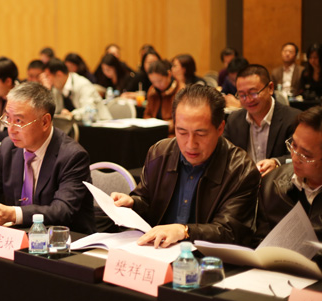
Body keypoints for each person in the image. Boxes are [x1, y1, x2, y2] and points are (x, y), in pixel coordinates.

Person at [110, 85, 260, 247]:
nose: (190, 144)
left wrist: (185, 231)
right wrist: (132, 203)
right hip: (157, 251)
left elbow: (230, 232)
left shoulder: (240, 169)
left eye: (200, 134)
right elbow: (146, 200)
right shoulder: (159, 153)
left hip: (206, 258)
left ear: (220, 128)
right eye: (182, 132)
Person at [0, 82, 95, 234]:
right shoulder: (8, 147)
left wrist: (14, 214)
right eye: (8, 118)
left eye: (18, 121)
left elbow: (62, 210)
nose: (10, 129)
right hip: (20, 236)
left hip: (66, 240)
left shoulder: (72, 156)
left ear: (45, 122)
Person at [255, 106, 322, 243]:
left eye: (306, 155)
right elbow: (259, 240)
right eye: (293, 145)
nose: (295, 157)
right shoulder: (271, 185)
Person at [223, 64, 300, 176]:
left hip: (278, 182)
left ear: (270, 88)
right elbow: (224, 153)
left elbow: (300, 157)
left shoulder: (293, 118)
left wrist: (276, 162)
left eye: (253, 93)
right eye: (242, 95)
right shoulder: (234, 120)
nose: (248, 100)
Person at [42, 58, 111, 121]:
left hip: (101, 124)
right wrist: (47, 92)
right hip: (77, 126)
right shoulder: (56, 89)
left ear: (59, 74)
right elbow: (55, 112)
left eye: (48, 76)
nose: (47, 80)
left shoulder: (82, 84)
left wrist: (72, 114)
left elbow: (89, 110)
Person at [144, 60, 184, 134]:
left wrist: (167, 126)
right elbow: (147, 114)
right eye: (153, 82)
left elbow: (183, 120)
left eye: (160, 81)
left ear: (169, 74)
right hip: (153, 132)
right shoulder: (152, 91)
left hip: (172, 134)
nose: (157, 85)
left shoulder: (180, 91)